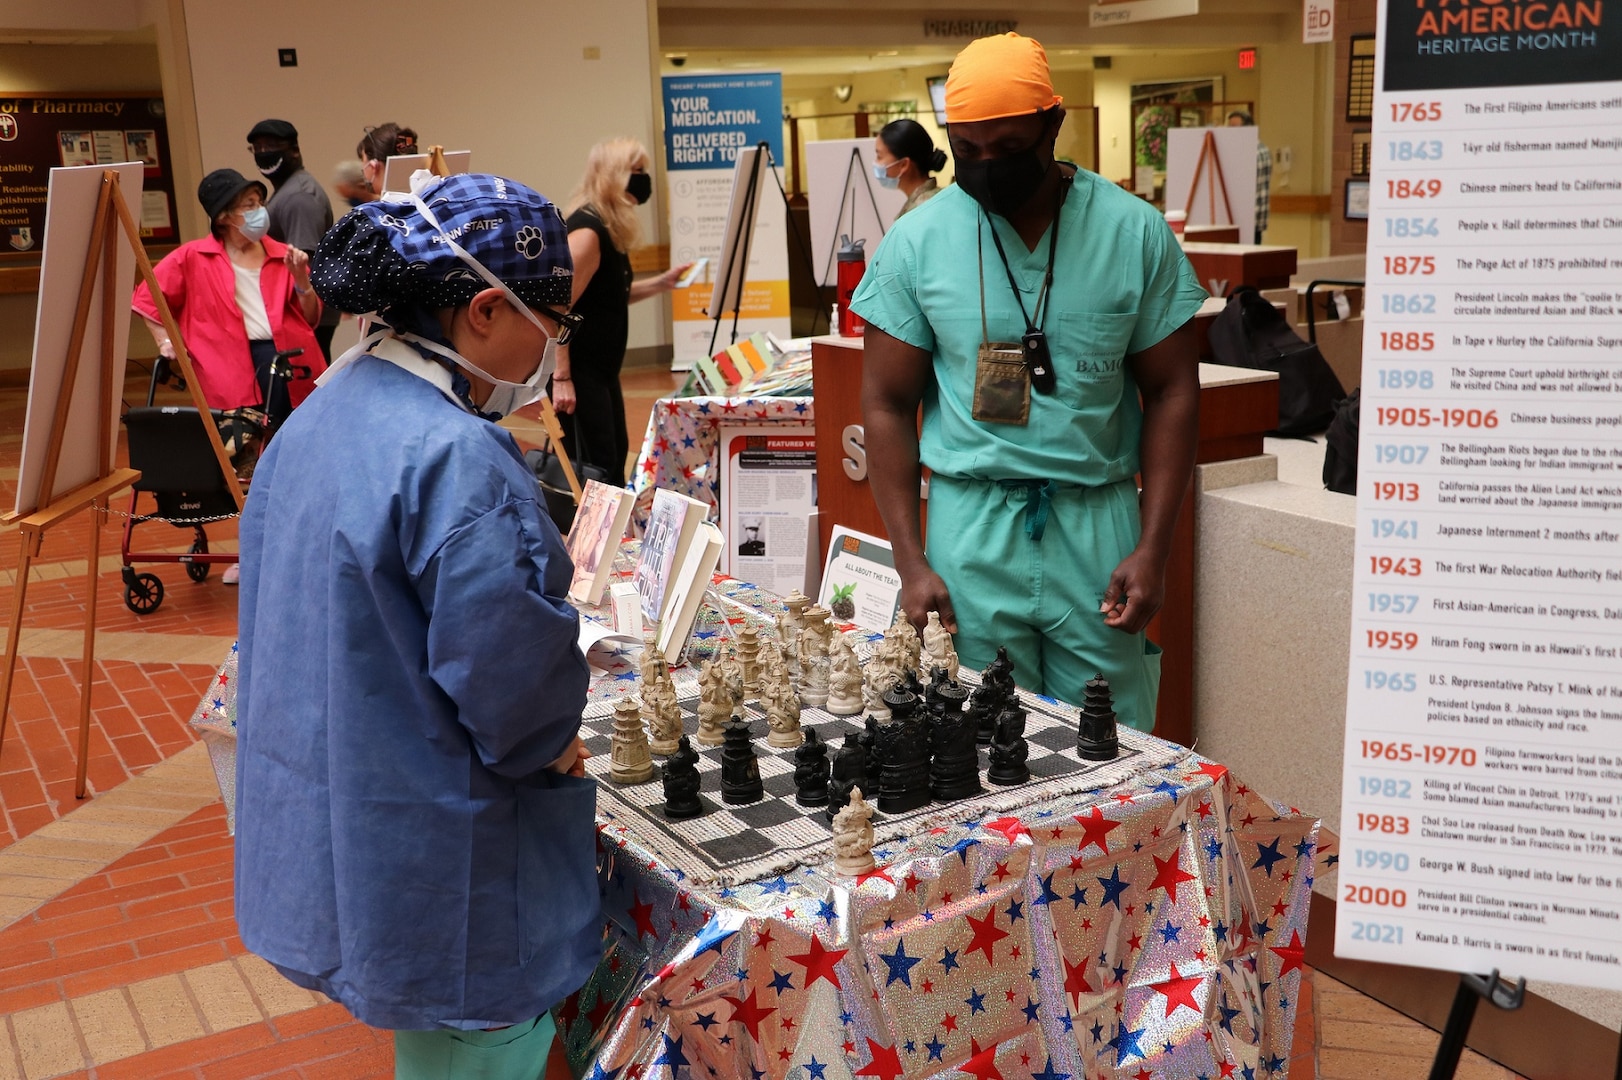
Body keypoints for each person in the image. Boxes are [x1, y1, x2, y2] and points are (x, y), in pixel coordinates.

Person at [234, 174, 597, 1080]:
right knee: (481, 1045)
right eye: (551, 323)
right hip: (450, 858)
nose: (550, 349)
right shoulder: (455, 457)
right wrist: (558, 737)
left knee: (431, 1047)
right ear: (483, 309)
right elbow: (516, 699)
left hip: (349, 820)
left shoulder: (319, 416)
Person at [850, 32, 1205, 731]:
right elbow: (886, 403)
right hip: (969, 526)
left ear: (1054, 124)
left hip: (1098, 522)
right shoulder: (918, 243)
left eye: (1009, 149)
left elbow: (1172, 392)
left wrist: (1153, 547)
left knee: (1112, 741)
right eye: (969, 151)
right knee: (979, 746)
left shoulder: (1133, 233)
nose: (987, 168)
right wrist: (909, 560)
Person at [551, 138, 689, 488]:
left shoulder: (609, 226)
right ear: (614, 176)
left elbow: (608, 298)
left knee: (613, 454)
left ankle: (610, 539)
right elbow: (557, 308)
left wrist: (662, 283)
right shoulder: (587, 231)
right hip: (581, 373)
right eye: (637, 172)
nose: (644, 181)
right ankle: (591, 539)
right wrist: (561, 377)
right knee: (598, 464)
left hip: (603, 372)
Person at [247, 119, 339, 360]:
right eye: (257, 149)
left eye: (271, 146)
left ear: (294, 150)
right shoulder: (288, 190)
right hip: (299, 315)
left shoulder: (299, 196)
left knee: (306, 393)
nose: (263, 154)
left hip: (305, 316)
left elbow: (302, 262)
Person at [873, 118, 947, 216]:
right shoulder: (939, 198)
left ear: (904, 164)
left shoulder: (920, 211)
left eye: (879, 156)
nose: (875, 163)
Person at [1227, 109, 1270, 244]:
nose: (1231, 133)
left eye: (1235, 128)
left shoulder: (1250, 153)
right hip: (1255, 222)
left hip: (1246, 222)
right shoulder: (1263, 149)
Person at [357, 122, 419, 196]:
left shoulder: (369, 208)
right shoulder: (431, 197)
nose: (363, 169)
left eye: (363, 161)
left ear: (373, 166)